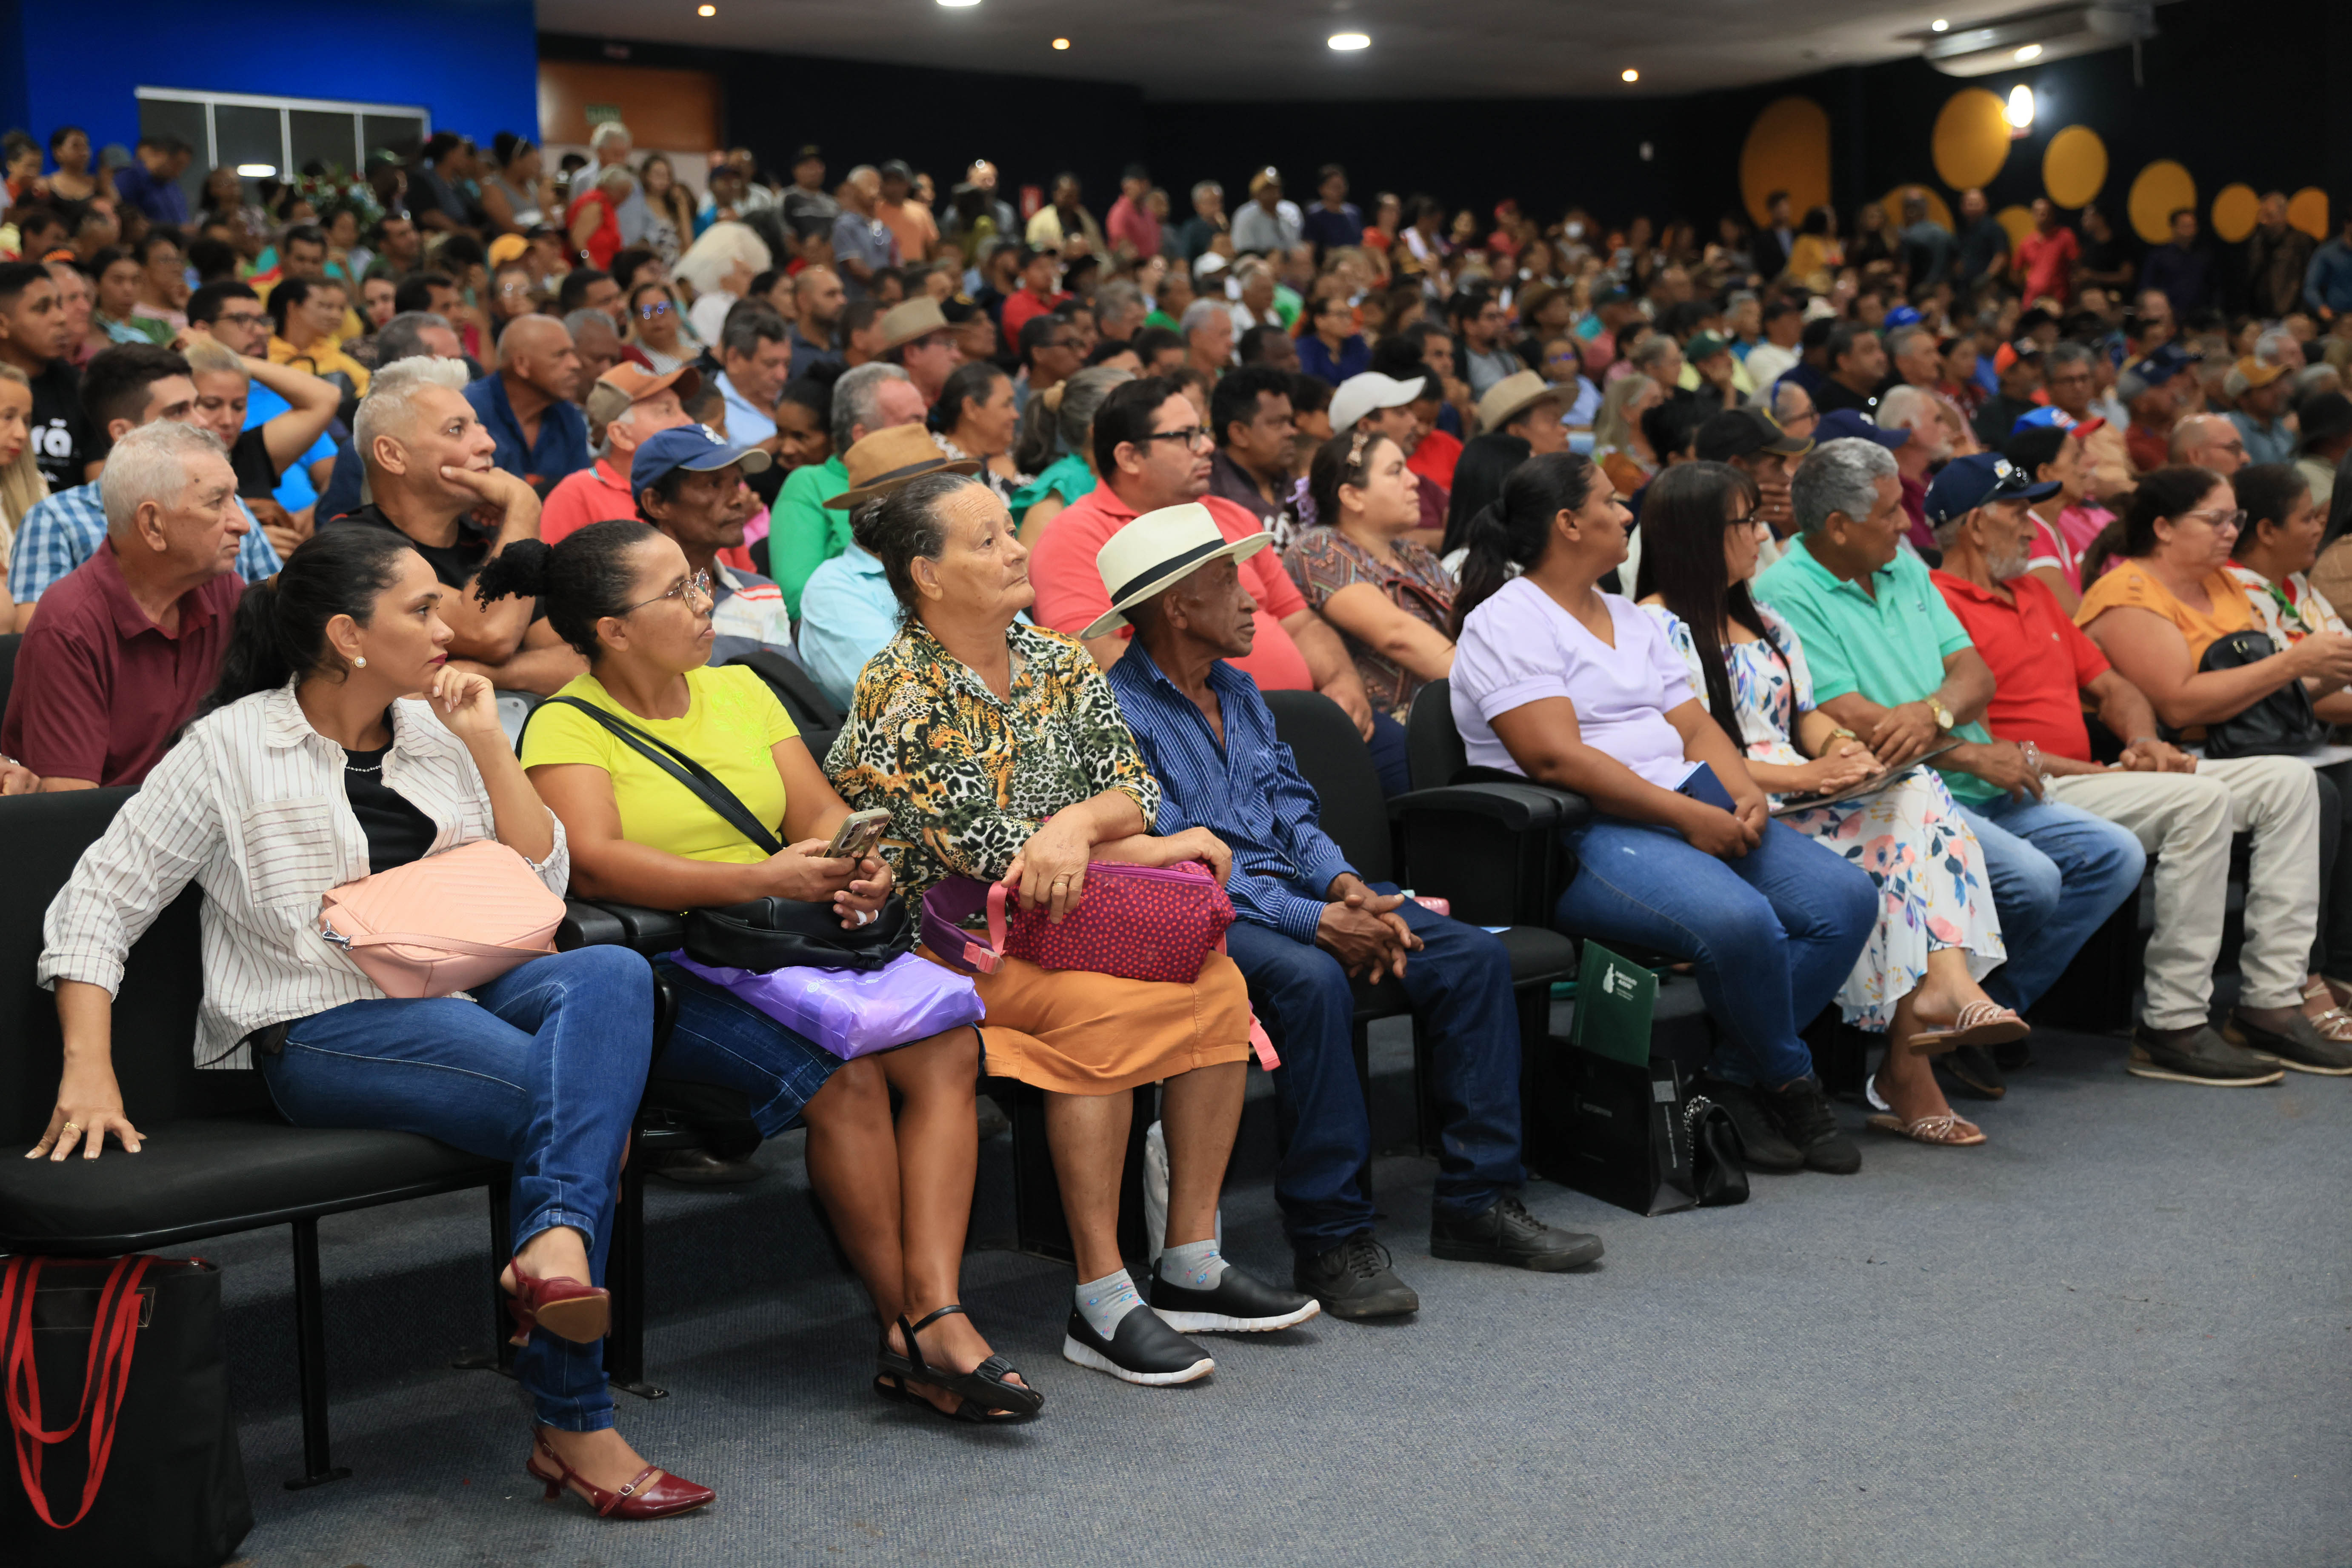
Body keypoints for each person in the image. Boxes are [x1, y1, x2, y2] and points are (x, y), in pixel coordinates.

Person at [31, 523, 705, 1517]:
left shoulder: (437, 725)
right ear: (349, 634)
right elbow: (97, 903)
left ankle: (554, 1252)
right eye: (423, 609)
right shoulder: (229, 748)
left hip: (467, 977)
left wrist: (484, 738)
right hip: (323, 1020)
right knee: (577, 1111)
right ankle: (575, 1418)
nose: (454, 625)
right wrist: (88, 1066)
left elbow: (541, 876)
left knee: (608, 968)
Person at [495, 520, 1028, 1422]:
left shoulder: (741, 689)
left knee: (944, 1048)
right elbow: (593, 862)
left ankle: (932, 1311)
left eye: (697, 582)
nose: (705, 604)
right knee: (846, 1077)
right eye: (675, 593)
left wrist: (861, 868)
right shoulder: (566, 725)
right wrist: (759, 878)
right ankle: (917, 1323)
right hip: (672, 967)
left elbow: (818, 812)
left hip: (788, 942)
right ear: (613, 631)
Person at [828, 471, 1309, 1385]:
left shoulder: (1055, 658)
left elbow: (1134, 789)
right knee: (1106, 1010)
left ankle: (1191, 1261)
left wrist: (1079, 826)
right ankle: (1101, 1296)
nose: (1017, 552)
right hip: (958, 942)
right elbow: (978, 849)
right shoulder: (900, 687)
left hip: (1077, 911)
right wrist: (1148, 852)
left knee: (1220, 982)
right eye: (988, 542)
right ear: (927, 575)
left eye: (1010, 533)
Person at [1100, 503, 1595, 1317]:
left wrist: (1344, 888)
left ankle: (1479, 1203)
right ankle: (1329, 1239)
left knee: (1468, 954)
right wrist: (1313, 922)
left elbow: (1293, 812)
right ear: (1176, 606)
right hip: (1205, 911)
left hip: (1296, 897)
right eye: (1229, 579)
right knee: (1311, 982)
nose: (1253, 595)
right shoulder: (1117, 712)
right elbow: (1182, 859)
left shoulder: (1240, 690)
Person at [1449, 451, 1876, 1170]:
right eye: (1611, 503)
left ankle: (1730, 1079)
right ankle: (1790, 1081)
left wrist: (1738, 788)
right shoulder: (1508, 621)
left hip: (1687, 799)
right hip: (1585, 829)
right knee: (1742, 922)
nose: (1625, 515)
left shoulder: (1627, 616)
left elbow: (1695, 724)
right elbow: (1556, 758)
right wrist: (1686, 817)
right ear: (1567, 523)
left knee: (1844, 899)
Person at [1635, 461, 2012, 1145]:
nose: (1762, 534)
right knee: (1911, 823)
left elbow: (1802, 715)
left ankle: (1933, 1007)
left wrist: (1843, 750)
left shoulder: (1767, 619)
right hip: (1731, 804)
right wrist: (1806, 778)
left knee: (1911, 795)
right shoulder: (1653, 627)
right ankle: (1923, 1028)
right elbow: (1686, 756)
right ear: (1697, 533)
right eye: (1747, 521)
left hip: (1803, 793)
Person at [1757, 443, 2145, 1100]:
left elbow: (1973, 674)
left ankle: (1973, 1015)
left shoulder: (1903, 566)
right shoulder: (1784, 590)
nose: (1904, 526)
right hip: (1899, 788)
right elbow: (1845, 714)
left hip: (1971, 774)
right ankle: (1929, 1026)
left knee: (2113, 854)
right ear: (1837, 527)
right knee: (2031, 880)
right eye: (1886, 514)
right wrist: (1959, 746)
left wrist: (1931, 710)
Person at [1932, 461, 2341, 1084]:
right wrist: (2111, 756)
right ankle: (2172, 1021)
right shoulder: (1935, 601)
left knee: (2289, 785)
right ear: (1973, 526)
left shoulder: (2035, 594)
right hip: (2020, 779)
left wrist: (2143, 738)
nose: (2031, 529)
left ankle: (2270, 1001)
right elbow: (1978, 741)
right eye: (2017, 514)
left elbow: (2112, 685)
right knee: (2196, 803)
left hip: (2086, 772)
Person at [2078, 465, 2352, 1048]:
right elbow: (2175, 705)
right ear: (2163, 527)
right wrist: (2292, 666)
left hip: (2239, 742)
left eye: (2237, 518)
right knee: (2322, 790)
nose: (2231, 530)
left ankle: (2280, 995)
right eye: (2216, 519)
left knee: (2317, 783)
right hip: (2167, 754)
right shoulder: (2126, 593)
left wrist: (2297, 675)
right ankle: (2303, 979)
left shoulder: (2226, 584)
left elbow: (2268, 689)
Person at [1027, 377, 1395, 787]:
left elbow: (1299, 621)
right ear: (1130, 457)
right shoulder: (1075, 535)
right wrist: (1226, 718)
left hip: (1309, 718)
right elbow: (1095, 661)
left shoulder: (1229, 515)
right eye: (1185, 436)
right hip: (1199, 746)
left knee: (1403, 763)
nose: (1207, 446)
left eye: (1201, 431)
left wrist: (1342, 681)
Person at [0, 421, 249, 788]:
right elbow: (72, 813)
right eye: (217, 503)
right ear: (152, 526)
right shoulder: (70, 624)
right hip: (109, 840)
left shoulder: (224, 589)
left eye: (235, 499)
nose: (241, 523)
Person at [324, 357, 579, 694]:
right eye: (456, 429)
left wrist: (478, 673)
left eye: (480, 426)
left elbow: (583, 662)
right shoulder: (350, 546)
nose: (488, 445)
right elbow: (490, 633)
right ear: (392, 455)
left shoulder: (490, 544)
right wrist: (523, 506)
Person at [11, 344, 281, 628]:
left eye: (198, 405)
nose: (201, 422)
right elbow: (39, 635)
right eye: (179, 411)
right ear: (125, 433)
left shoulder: (230, 509)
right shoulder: (56, 518)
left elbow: (285, 613)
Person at [797, 427, 980, 710]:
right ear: (882, 514)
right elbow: (904, 696)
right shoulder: (834, 588)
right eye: (937, 503)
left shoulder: (962, 564)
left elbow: (1036, 654)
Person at [1284, 428, 1457, 720]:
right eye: (1395, 472)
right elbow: (1396, 635)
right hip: (1405, 727)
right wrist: (1496, 688)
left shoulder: (1411, 552)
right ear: (1352, 497)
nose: (1413, 481)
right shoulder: (1317, 549)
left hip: (1459, 707)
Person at [621, 424, 792, 661]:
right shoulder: (628, 600)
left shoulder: (761, 593)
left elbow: (788, 691)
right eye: (714, 484)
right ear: (657, 503)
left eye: (736, 483)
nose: (738, 500)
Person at [770, 362, 927, 617]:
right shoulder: (810, 484)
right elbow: (798, 598)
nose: (925, 435)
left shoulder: (937, 476)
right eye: (914, 423)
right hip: (858, 630)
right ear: (863, 436)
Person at [540, 365, 697, 546]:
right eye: (667, 411)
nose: (689, 422)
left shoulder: (700, 485)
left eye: (682, 408)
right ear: (621, 435)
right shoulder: (577, 495)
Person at [1008, 364, 1132, 542]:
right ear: (1096, 428)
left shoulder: (1136, 471)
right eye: (1135, 410)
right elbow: (1030, 568)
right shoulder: (1060, 488)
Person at [463, 315, 588, 490]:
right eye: (560, 355)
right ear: (522, 365)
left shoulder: (570, 418)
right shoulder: (468, 409)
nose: (576, 364)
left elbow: (579, 496)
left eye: (573, 353)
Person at [0, 260, 91, 493]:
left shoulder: (82, 387)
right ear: (2, 324)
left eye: (60, 305)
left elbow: (99, 490)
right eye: (43, 309)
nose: (61, 318)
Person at [1204, 364, 1297, 538]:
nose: (1291, 432)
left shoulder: (1300, 488)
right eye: (1277, 423)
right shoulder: (1209, 496)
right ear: (1239, 433)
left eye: (1290, 422)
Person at [929, 360, 1026, 505]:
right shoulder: (938, 465)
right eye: (1006, 404)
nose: (1015, 415)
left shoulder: (1015, 449)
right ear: (971, 408)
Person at [878, 297, 961, 408]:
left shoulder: (953, 403)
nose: (957, 356)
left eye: (953, 343)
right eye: (947, 344)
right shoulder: (891, 415)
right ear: (912, 354)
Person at [2226, 357, 2296, 467]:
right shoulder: (2233, 429)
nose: (2278, 392)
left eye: (2276, 384)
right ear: (2243, 398)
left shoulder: (2281, 426)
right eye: (2266, 388)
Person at [1296, 292, 1368, 387]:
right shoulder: (1304, 347)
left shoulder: (1356, 343)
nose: (1348, 321)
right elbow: (1308, 383)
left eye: (1349, 315)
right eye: (1341, 315)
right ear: (1320, 320)